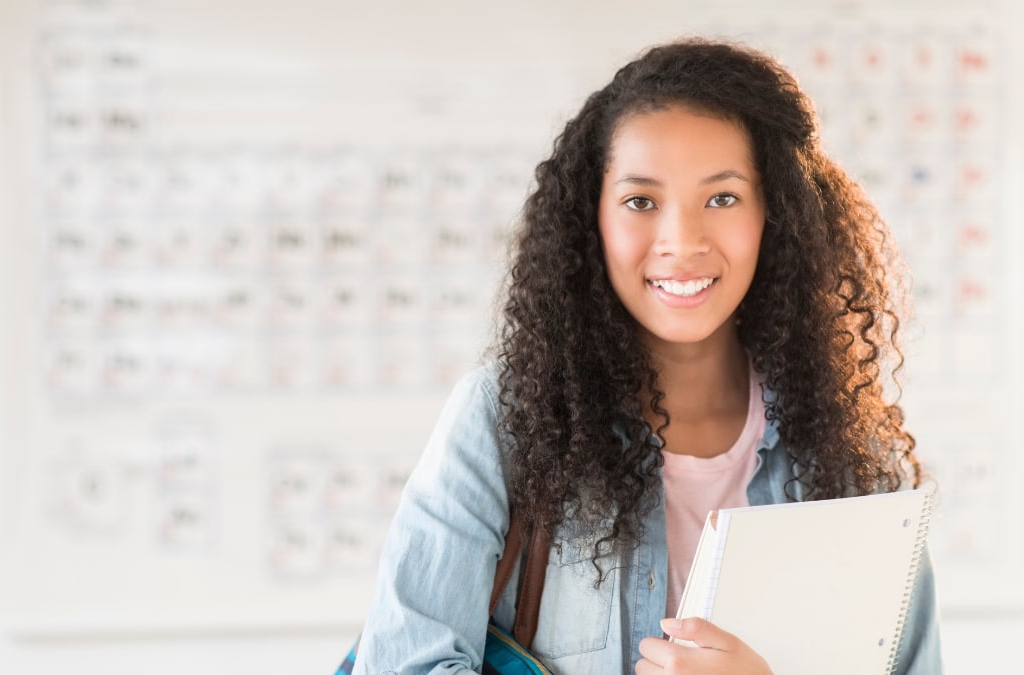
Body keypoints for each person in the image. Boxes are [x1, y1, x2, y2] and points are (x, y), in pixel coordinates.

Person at [352, 38, 942, 674]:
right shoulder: (506, 418)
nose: (681, 241)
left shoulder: (847, 449)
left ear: (775, 215)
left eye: (722, 198)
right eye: (641, 201)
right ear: (592, 221)